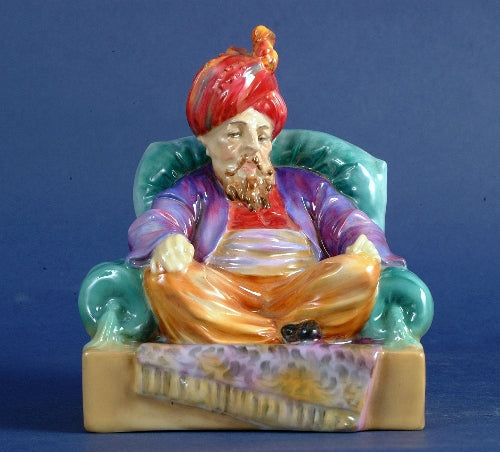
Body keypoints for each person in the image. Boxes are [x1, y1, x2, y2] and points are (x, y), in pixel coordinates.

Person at [127, 26, 405, 344]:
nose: (252, 148)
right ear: (206, 141)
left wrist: (361, 241)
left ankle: (241, 334)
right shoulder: (194, 191)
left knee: (361, 272)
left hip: (301, 290)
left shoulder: (305, 187)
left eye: (261, 136)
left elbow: (346, 219)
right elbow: (159, 218)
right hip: (223, 292)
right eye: (235, 134)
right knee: (165, 280)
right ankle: (277, 335)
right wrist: (166, 240)